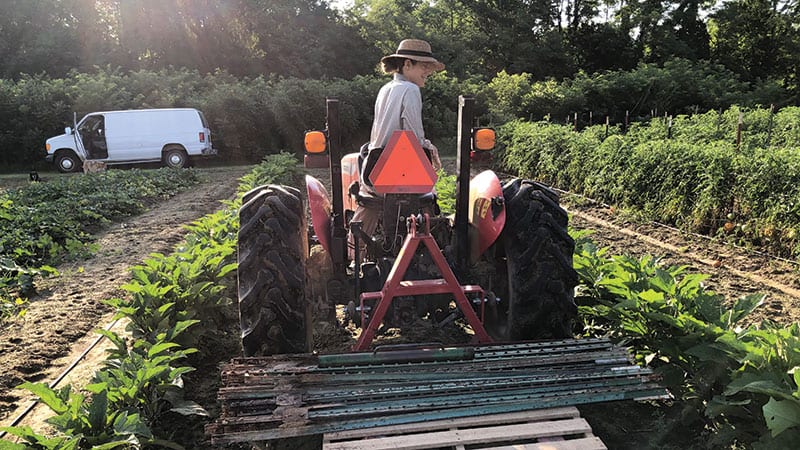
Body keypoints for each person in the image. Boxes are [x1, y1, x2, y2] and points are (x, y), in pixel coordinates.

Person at [349, 39, 445, 258]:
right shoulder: (410, 90)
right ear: (407, 64)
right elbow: (413, 135)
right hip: (398, 169)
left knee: (369, 204)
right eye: (424, 66)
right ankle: (429, 254)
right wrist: (431, 151)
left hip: (374, 170)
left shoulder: (386, 88)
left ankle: (353, 256)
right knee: (428, 196)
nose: (428, 72)